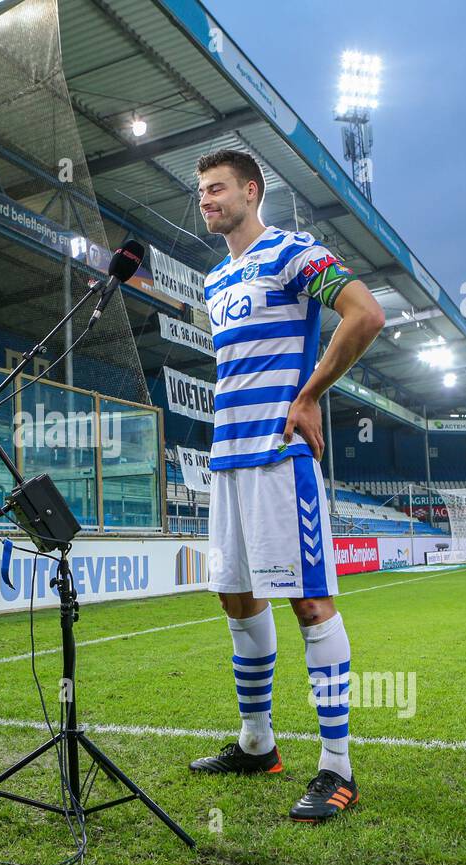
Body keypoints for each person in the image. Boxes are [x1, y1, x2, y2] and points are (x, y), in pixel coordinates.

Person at [187, 149, 384, 823]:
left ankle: (338, 769)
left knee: (308, 603)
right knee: (237, 600)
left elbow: (365, 314)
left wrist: (310, 394)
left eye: (217, 189)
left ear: (251, 190)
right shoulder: (215, 282)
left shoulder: (293, 253)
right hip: (227, 461)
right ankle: (257, 743)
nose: (206, 200)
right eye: (201, 192)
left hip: (279, 460)